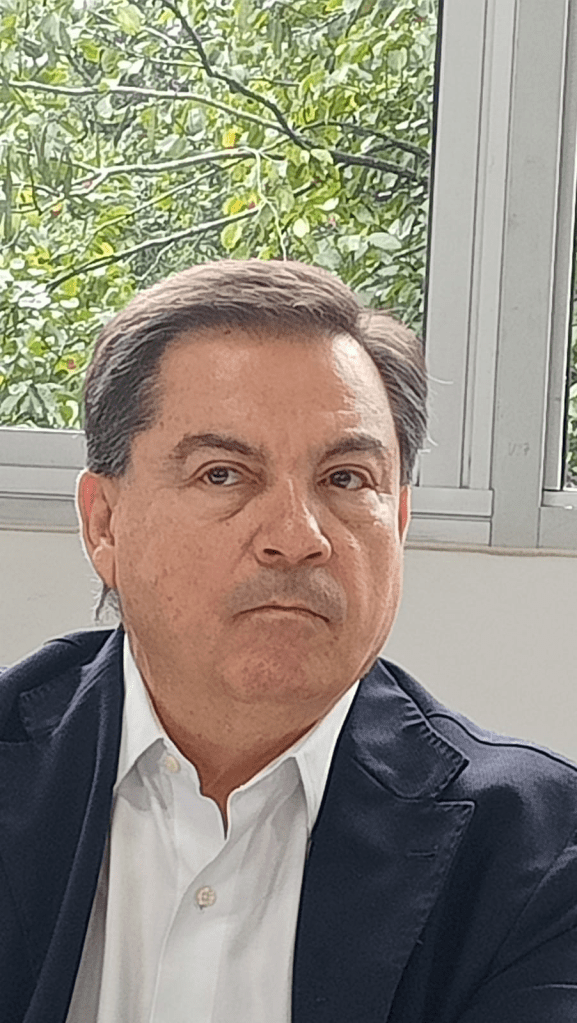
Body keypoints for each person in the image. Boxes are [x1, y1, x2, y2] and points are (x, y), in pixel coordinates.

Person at [1, 259, 576, 1023]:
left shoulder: (537, 850)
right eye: (222, 474)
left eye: (345, 478)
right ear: (104, 523)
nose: (297, 536)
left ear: (399, 521)